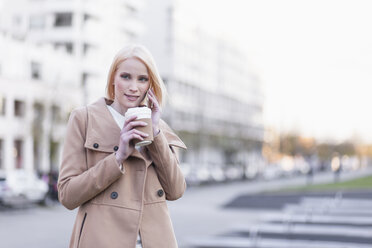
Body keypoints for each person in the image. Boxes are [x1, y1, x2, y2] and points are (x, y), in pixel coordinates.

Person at [57, 44, 187, 248]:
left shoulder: (158, 126)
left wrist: (156, 133)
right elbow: (67, 195)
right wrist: (118, 158)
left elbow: (176, 190)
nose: (133, 87)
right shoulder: (85, 118)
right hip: (101, 240)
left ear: (150, 85)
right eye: (126, 76)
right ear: (113, 79)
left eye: (142, 79)